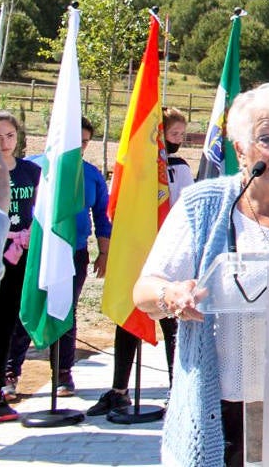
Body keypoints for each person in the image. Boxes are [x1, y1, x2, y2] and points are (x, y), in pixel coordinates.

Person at [133, 84, 269, 467]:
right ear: (241, 149)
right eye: (266, 139)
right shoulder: (204, 205)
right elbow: (144, 291)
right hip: (226, 411)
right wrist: (173, 296)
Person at [87, 108, 194, 417]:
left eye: (180, 137)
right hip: (136, 252)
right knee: (128, 319)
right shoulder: (135, 167)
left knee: (171, 323)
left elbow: (185, 211)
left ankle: (179, 389)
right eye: (172, 135)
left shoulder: (180, 169)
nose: (177, 141)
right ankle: (119, 390)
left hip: (168, 257)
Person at [7, 117, 112, 398]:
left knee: (65, 309)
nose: (78, 146)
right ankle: (10, 372)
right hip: (34, 253)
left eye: (85, 142)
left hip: (73, 252)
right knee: (25, 307)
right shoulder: (33, 167)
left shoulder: (91, 175)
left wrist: (103, 251)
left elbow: (102, 216)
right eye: (73, 140)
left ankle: (63, 374)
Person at [0, 111, 40, 421]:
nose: (4, 142)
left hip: (21, 255)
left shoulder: (30, 171)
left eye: (9, 135)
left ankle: (2, 385)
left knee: (8, 321)